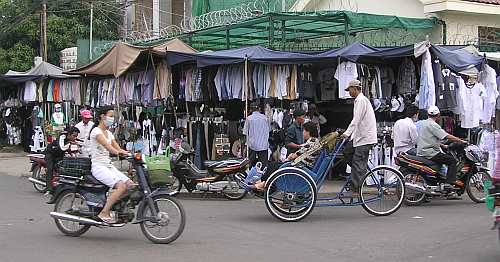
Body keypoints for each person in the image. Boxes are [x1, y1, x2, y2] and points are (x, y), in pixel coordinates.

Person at [89, 107, 135, 223]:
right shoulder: (96, 132)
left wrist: (130, 154)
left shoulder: (109, 133)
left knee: (130, 185)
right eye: (110, 116)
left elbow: (117, 147)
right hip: (98, 166)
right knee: (121, 186)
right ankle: (104, 212)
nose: (112, 118)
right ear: (102, 117)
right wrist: (119, 152)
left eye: (113, 116)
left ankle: (115, 207)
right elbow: (108, 147)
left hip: (108, 165)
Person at [254, 122, 321, 191]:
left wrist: (290, 157)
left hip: (303, 165)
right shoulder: (314, 141)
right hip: (302, 163)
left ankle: (263, 183)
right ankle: (264, 182)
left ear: (308, 131)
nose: (303, 133)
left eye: (304, 130)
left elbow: (296, 154)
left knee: (274, 165)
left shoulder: (311, 142)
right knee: (274, 165)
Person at [417, 106, 467, 190]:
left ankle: (439, 181)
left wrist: (442, 145)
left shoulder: (424, 123)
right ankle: (449, 183)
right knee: (452, 160)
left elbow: (429, 138)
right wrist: (461, 141)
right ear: (438, 115)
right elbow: (446, 136)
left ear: (428, 114)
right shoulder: (433, 125)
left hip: (422, 150)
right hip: (430, 152)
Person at [341, 80, 378, 193]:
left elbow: (356, 120)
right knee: (347, 152)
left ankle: (356, 189)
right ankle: (360, 170)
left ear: (355, 88)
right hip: (358, 137)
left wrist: (346, 134)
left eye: (350, 90)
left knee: (357, 161)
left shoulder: (361, 100)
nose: (349, 92)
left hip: (365, 138)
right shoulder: (357, 101)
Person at [45, 127, 80, 204]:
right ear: (69, 134)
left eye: (76, 136)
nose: (75, 138)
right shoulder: (62, 137)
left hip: (60, 155)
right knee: (50, 169)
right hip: (50, 154)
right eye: (74, 136)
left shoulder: (72, 139)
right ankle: (49, 189)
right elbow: (62, 148)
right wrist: (69, 144)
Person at [243, 102, 270, 168]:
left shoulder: (249, 119)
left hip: (252, 145)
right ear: (260, 109)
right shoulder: (265, 118)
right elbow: (269, 130)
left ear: (251, 110)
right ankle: (263, 177)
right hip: (263, 145)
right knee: (263, 165)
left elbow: (245, 132)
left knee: (251, 164)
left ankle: (251, 176)